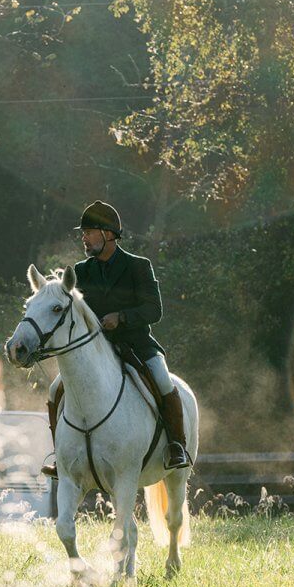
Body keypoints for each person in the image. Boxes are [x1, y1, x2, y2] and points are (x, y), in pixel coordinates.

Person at [42, 200, 190, 477]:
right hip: (97, 350)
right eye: (83, 233)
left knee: (163, 381)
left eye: (89, 232)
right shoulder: (81, 271)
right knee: (54, 391)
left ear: (108, 234)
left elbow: (154, 310)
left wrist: (121, 317)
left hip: (136, 343)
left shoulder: (138, 266)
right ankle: (59, 455)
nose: (83, 238)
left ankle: (176, 445)